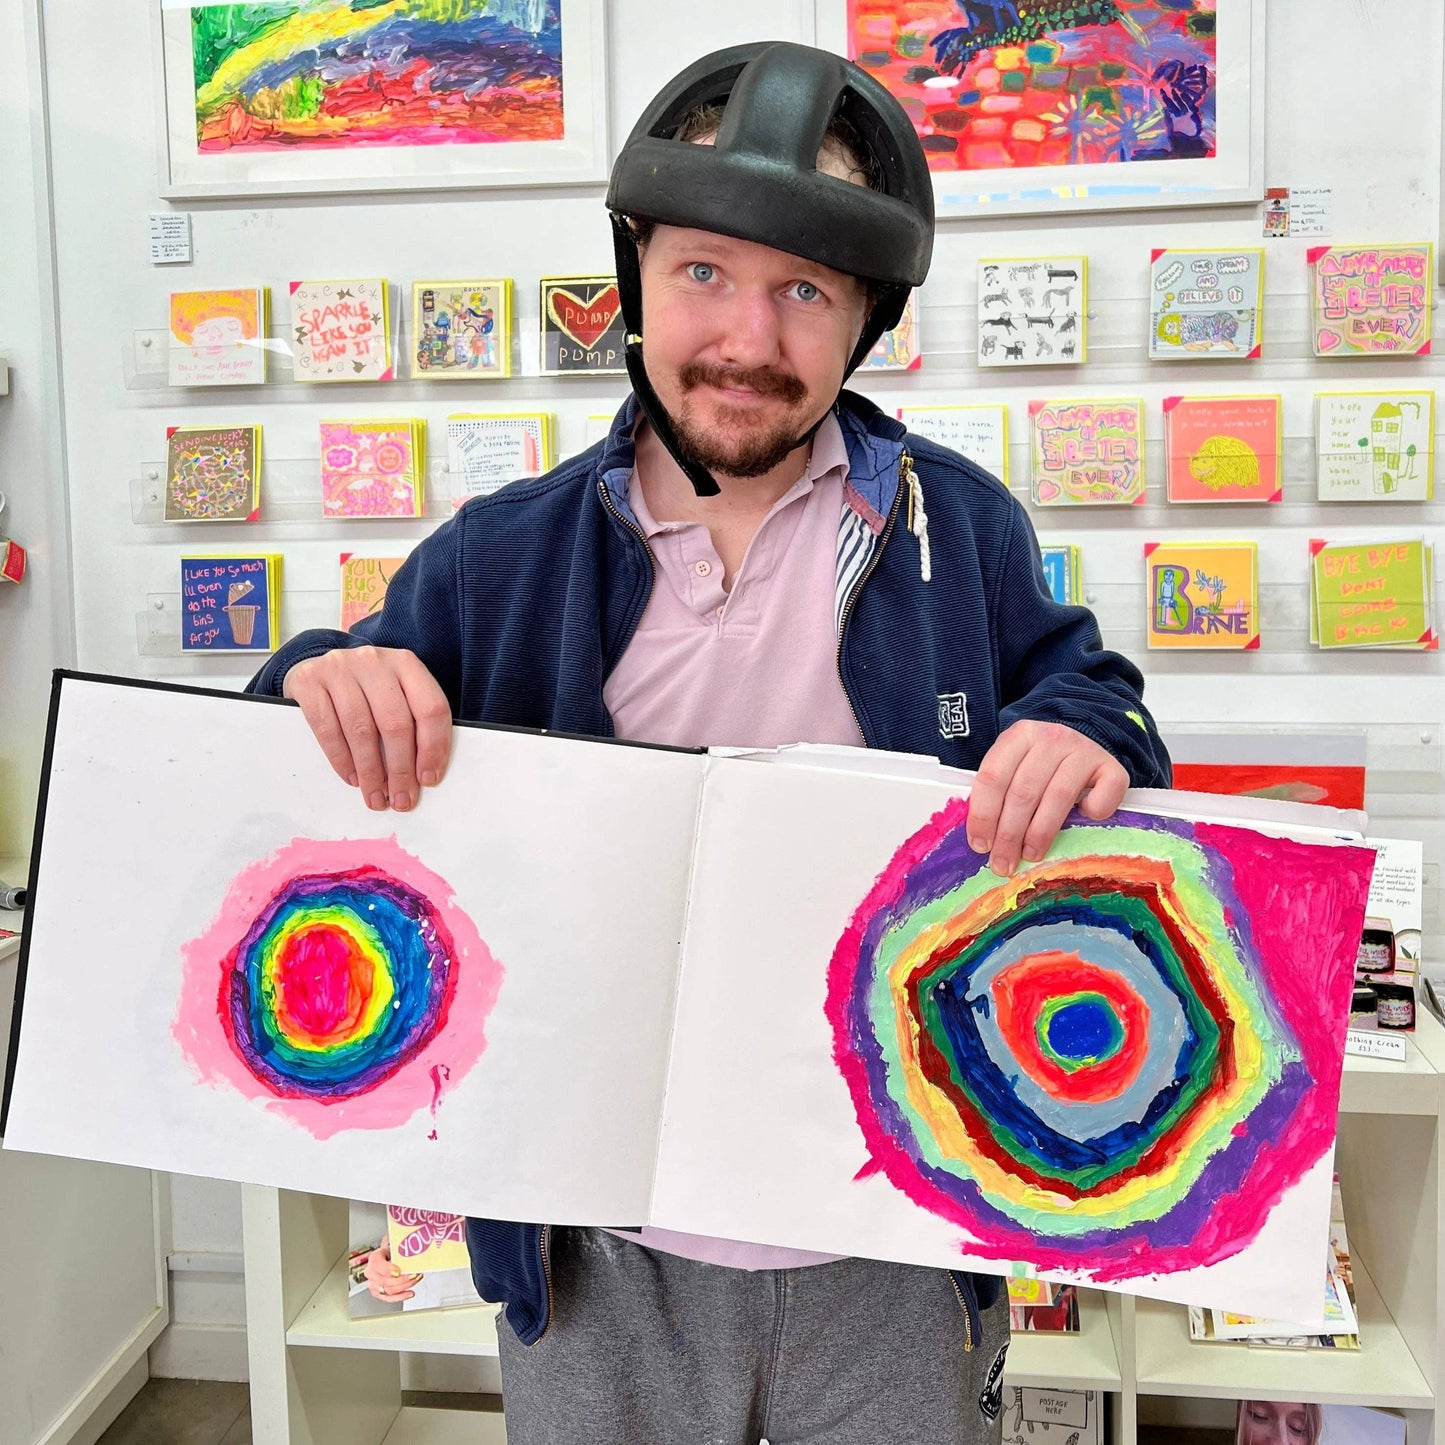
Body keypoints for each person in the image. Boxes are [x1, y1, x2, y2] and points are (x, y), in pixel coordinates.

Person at [250, 39, 1171, 1445]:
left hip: (885, 1242)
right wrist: (323, 675)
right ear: (633, 274)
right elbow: (277, 764)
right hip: (597, 1252)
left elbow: (1102, 705)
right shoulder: (503, 556)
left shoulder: (959, 532)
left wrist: (1076, 729)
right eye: (703, 273)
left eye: (803, 288)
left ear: (864, 317)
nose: (747, 339)